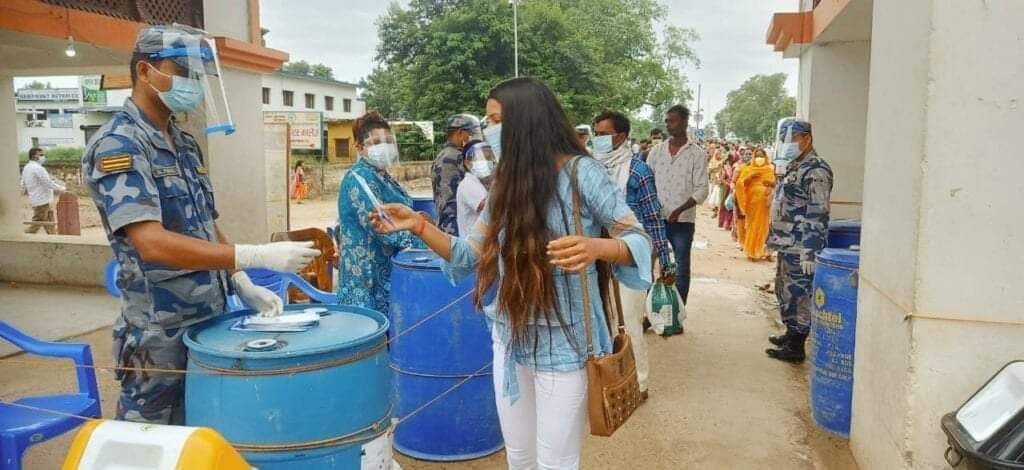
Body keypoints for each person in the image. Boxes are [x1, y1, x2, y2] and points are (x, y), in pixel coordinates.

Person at [372, 78, 652, 469]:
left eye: (496, 119)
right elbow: (467, 253)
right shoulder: (505, 182)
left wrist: (597, 248)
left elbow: (638, 239)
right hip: (511, 338)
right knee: (519, 457)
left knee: (556, 462)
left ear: (526, 120)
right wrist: (419, 226)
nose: (487, 130)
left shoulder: (581, 173)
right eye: (487, 121)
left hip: (566, 343)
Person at [82, 25, 320, 424]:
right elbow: (152, 243)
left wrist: (241, 278)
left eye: (196, 75)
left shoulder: (184, 142)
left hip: (209, 320)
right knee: (153, 441)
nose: (190, 84)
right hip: (158, 333)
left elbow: (207, 223)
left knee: (206, 429)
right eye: (182, 70)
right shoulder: (119, 144)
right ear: (145, 71)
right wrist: (255, 254)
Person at [592, 110, 674, 398]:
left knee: (629, 321)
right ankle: (608, 380)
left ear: (622, 136)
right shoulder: (591, 168)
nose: (598, 139)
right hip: (597, 255)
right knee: (602, 321)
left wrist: (665, 259)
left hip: (629, 257)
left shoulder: (638, 171)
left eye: (604, 134)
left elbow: (653, 218)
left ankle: (640, 384)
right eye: (596, 133)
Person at [336, 111, 419, 313]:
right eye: (375, 142)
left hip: (386, 272)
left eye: (389, 141)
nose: (384, 147)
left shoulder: (381, 175)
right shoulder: (360, 179)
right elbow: (383, 227)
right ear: (359, 147)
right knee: (373, 337)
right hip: (366, 278)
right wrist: (426, 240)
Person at [765, 120, 833, 363]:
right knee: (784, 288)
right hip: (786, 242)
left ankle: (796, 344)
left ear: (806, 138)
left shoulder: (816, 170)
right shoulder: (795, 166)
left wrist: (810, 252)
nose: (788, 145)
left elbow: (818, 212)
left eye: (791, 139)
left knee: (799, 293)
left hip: (801, 244)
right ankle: (790, 331)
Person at [648, 105, 708, 307]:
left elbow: (702, 190)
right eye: (666, 121)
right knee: (648, 264)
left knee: (681, 267)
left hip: (682, 222)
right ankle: (651, 310)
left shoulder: (697, 154)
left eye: (672, 120)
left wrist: (680, 210)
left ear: (684, 122)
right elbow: (646, 182)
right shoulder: (656, 152)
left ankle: (677, 312)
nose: (668, 124)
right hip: (655, 220)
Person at [432, 113, 482, 236]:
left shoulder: (444, 155)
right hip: (456, 228)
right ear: (460, 133)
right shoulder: (457, 157)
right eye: (473, 133)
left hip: (448, 227)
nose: (477, 137)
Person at [735, 148, 775, 261]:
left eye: (761, 156)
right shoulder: (748, 169)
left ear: (765, 157)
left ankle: (764, 251)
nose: (759, 159)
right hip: (753, 203)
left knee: (765, 227)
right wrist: (749, 177)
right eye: (757, 156)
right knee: (753, 227)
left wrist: (770, 185)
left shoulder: (770, 169)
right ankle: (752, 252)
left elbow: (776, 183)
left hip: (766, 203)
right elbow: (740, 184)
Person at [21, 147, 66, 234]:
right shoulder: (38, 168)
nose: (43, 157)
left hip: (40, 200)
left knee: (50, 223)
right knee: (36, 224)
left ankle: (53, 240)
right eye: (41, 155)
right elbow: (48, 183)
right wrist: (62, 188)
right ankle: (22, 239)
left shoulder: (27, 167)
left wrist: (22, 193)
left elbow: (22, 184)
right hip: (42, 201)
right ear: (34, 156)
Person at [456, 140, 495, 235]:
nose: (486, 161)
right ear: (467, 163)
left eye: (488, 157)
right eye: (480, 158)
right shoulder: (468, 184)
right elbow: (491, 208)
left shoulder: (481, 183)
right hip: (473, 246)